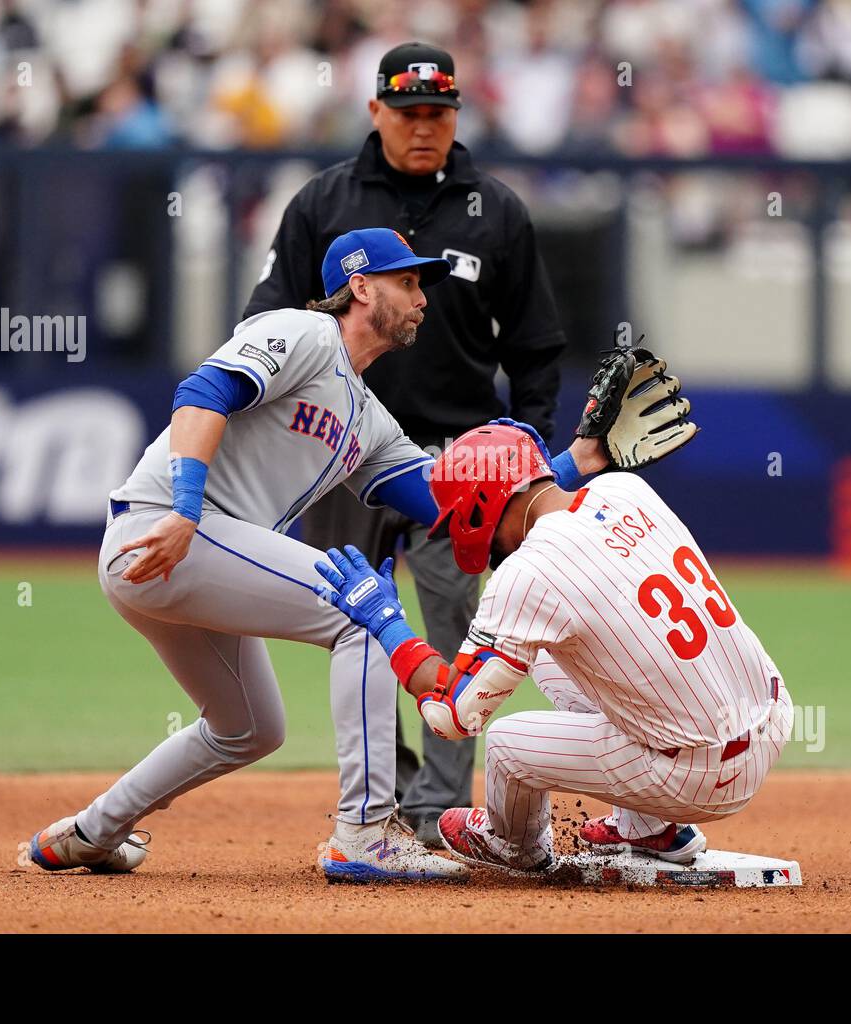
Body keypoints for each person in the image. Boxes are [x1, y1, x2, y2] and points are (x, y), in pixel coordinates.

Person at [27, 228, 473, 883]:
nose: (421, 299)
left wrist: (573, 465)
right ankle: (368, 834)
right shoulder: (304, 333)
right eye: (406, 282)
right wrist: (184, 506)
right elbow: (201, 393)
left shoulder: (372, 419)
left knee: (248, 728)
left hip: (196, 556)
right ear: (358, 286)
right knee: (366, 615)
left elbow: (460, 506)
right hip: (165, 531)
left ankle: (93, 831)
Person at [241, 42, 566, 846]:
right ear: (376, 111)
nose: (425, 127)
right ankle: (396, 789)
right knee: (355, 627)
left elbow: (535, 345)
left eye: (440, 113)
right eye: (410, 112)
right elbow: (269, 321)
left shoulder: (498, 210)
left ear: (457, 115)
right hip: (341, 456)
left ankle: (435, 814)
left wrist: (529, 449)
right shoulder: (323, 200)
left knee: (460, 635)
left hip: (460, 466)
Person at [313, 423, 793, 875]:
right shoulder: (623, 489)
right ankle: (650, 830)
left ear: (483, 505)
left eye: (461, 515)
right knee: (554, 655)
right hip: (771, 717)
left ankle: (515, 844)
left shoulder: (530, 572)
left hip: (697, 777)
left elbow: (452, 716)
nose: (461, 528)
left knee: (503, 744)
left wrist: (387, 625)